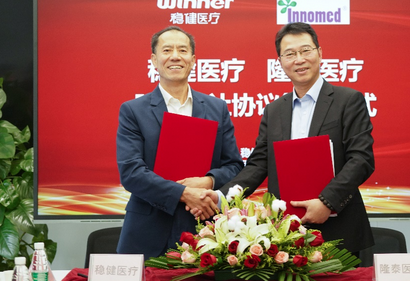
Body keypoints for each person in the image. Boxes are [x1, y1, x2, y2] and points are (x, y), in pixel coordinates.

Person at [197, 22, 375, 256]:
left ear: (320, 53)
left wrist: (327, 202)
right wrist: (221, 197)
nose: (299, 59)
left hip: (339, 226)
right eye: (290, 54)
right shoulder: (274, 110)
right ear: (280, 61)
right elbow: (258, 164)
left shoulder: (348, 100)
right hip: (284, 231)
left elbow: (361, 159)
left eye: (305, 50)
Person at [116, 26, 244, 258]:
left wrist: (208, 181)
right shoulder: (133, 111)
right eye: (167, 50)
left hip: (206, 231)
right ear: (154, 60)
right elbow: (131, 173)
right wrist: (183, 193)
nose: (175, 56)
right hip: (147, 233)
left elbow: (234, 166)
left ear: (193, 60)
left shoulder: (216, 108)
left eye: (182, 50)